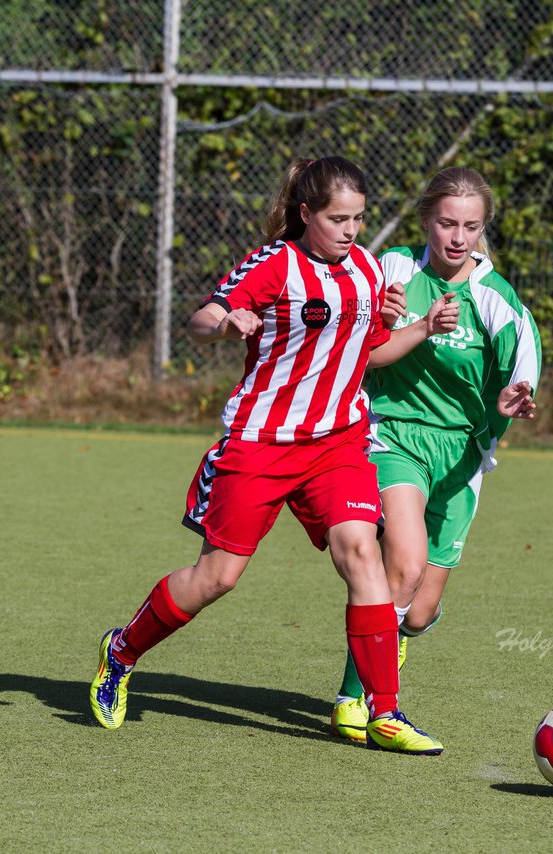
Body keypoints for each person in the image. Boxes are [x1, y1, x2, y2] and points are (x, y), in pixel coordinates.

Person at [90, 156, 454, 754]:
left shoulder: (366, 271)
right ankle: (121, 650)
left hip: (337, 443)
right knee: (217, 577)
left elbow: (370, 353)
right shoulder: (275, 263)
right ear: (306, 213)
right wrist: (225, 324)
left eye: (360, 218)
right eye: (338, 218)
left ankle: (383, 710)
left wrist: (422, 330)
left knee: (364, 553)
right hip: (261, 443)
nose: (351, 230)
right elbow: (202, 318)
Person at [328, 166, 541, 742]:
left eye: (470, 226)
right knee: (404, 560)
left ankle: (388, 639)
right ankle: (357, 698)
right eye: (447, 222)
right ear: (426, 219)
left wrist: (515, 394)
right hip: (391, 434)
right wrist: (382, 315)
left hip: (463, 455)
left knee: (416, 611)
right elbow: (349, 319)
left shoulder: (495, 298)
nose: (457, 237)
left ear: (482, 229)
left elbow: (525, 360)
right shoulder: (394, 268)